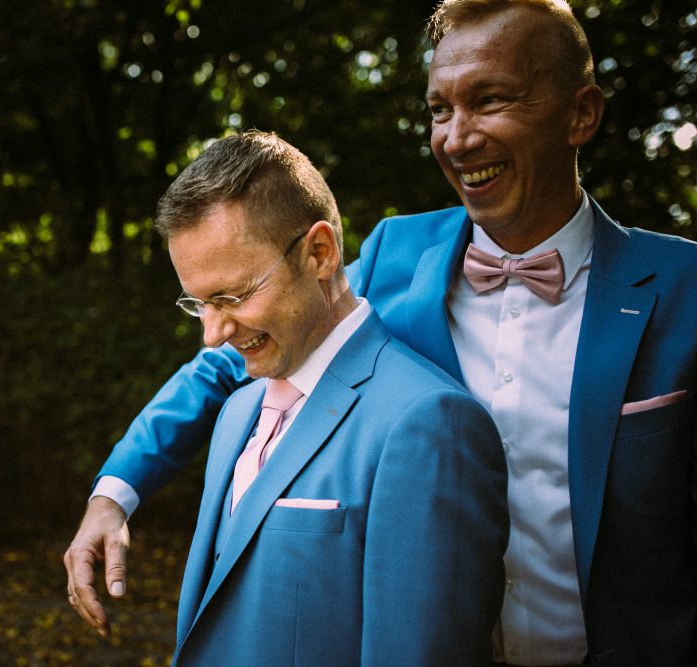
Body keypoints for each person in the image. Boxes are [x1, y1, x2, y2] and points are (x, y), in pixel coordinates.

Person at [65, 1, 697, 664]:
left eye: (490, 100)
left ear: (580, 114)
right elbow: (228, 358)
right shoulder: (396, 253)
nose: (457, 136)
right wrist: (115, 493)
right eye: (440, 110)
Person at [133, 130, 509, 664]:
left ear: (320, 252)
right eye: (198, 304)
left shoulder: (429, 424)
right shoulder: (238, 409)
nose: (211, 335)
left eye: (232, 296)